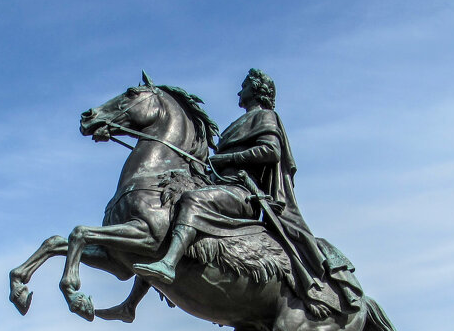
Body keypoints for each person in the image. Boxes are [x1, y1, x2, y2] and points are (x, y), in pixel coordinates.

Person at [132, 69, 362, 318]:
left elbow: (270, 151)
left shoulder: (265, 116)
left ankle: (168, 263)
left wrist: (226, 158)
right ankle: (130, 304)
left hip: (244, 193)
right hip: (224, 187)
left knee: (193, 200)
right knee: (164, 218)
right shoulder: (236, 125)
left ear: (257, 90)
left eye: (244, 87)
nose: (239, 91)